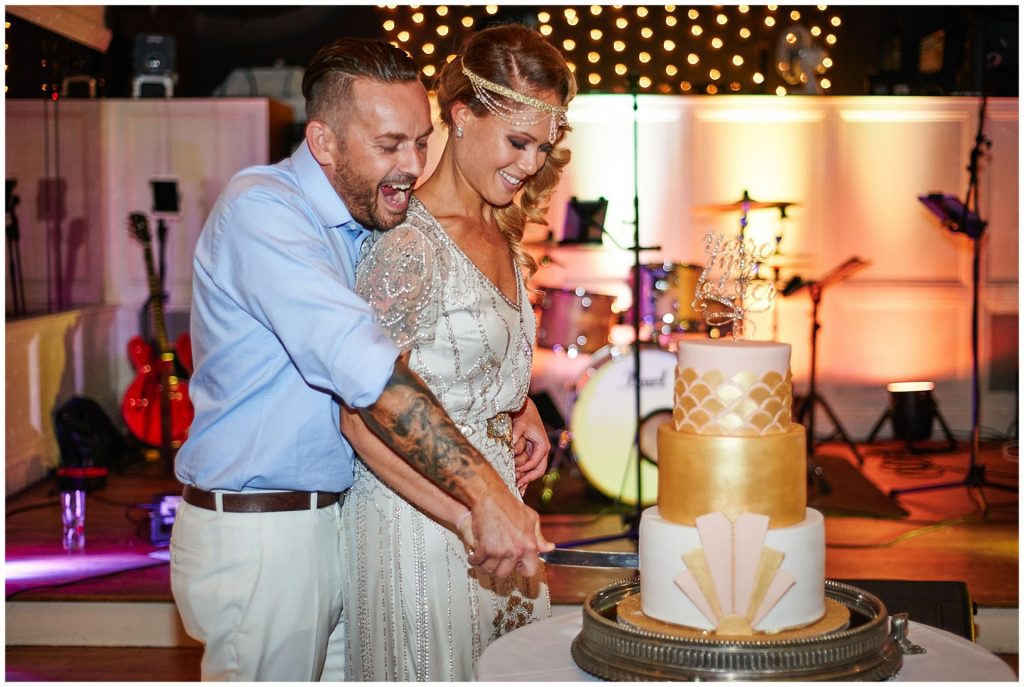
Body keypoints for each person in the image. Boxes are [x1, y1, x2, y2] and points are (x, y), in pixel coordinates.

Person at [169, 37, 552, 682]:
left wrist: (510, 398)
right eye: (389, 145)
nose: (412, 165)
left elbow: (436, 347)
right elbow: (365, 370)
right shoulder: (264, 211)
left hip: (340, 520)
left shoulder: (364, 217)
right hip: (263, 536)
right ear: (323, 142)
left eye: (419, 142)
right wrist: (487, 498)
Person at [337, 23, 577, 681]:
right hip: (421, 522)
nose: (530, 164)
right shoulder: (410, 244)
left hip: (501, 518)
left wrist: (518, 403)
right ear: (463, 115)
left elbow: (463, 356)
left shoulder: (501, 229)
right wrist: (470, 513)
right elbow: (358, 416)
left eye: (542, 147)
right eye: (518, 141)